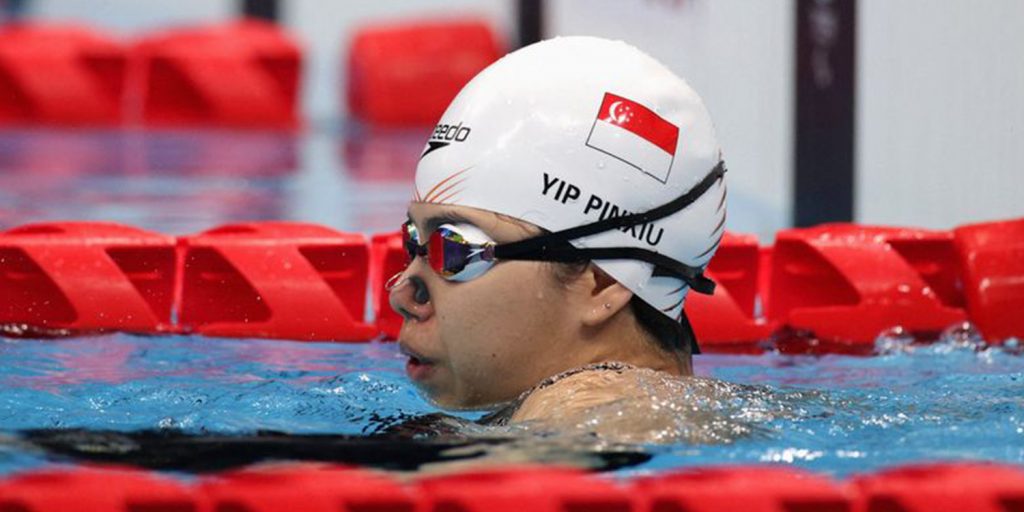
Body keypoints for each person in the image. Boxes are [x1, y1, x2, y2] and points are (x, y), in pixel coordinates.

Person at [387, 36, 731, 443]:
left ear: (602, 283)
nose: (402, 293)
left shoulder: (599, 418)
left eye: (457, 250)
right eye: (414, 241)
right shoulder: (659, 412)